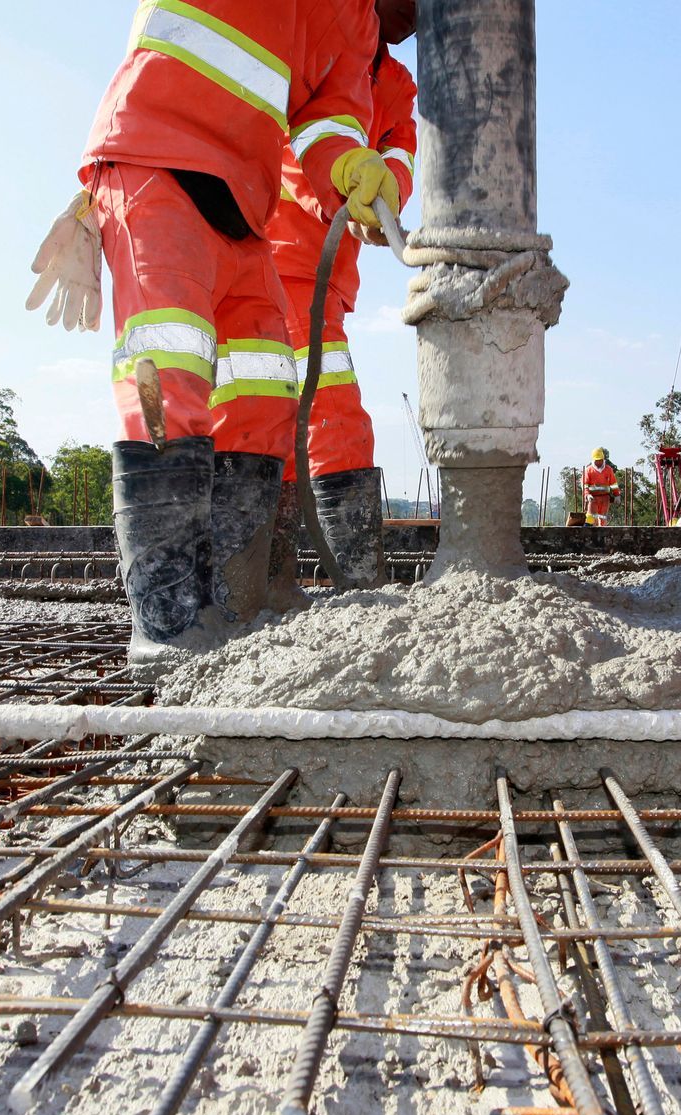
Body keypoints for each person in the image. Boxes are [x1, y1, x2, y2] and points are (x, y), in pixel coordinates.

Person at [28, 0, 391, 659]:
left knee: (264, 394)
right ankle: (165, 624)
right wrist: (91, 198)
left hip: (246, 202)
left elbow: (323, 121)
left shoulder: (357, 19)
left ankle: (228, 605)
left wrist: (347, 168)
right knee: (165, 374)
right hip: (155, 151)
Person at [268, 0, 418, 590]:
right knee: (324, 420)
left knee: (287, 419)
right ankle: (325, 585)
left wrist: (386, 200)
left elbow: (400, 157)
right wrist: (339, 198)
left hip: (325, 282)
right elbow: (294, 150)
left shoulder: (397, 86)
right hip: (276, 261)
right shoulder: (319, 37)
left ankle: (288, 586)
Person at [582, 447, 618, 527]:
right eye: (597, 460)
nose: (599, 462)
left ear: (603, 459)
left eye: (600, 460)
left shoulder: (608, 470)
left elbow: (613, 484)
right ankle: (590, 535)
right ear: (593, 460)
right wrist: (587, 495)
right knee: (591, 518)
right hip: (593, 498)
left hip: (605, 498)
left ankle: (602, 534)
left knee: (603, 518)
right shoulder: (589, 470)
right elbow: (585, 485)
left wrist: (617, 495)